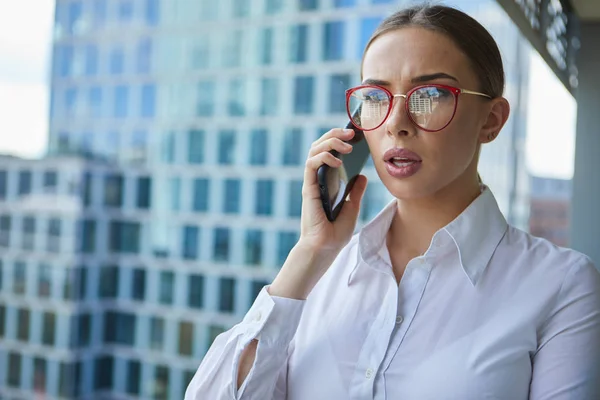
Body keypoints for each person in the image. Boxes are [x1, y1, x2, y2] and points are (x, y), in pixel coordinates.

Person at [185, 4, 600, 399]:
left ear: (490, 120)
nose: (397, 125)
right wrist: (310, 252)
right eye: (375, 98)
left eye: (430, 94)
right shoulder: (320, 276)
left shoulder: (561, 285)